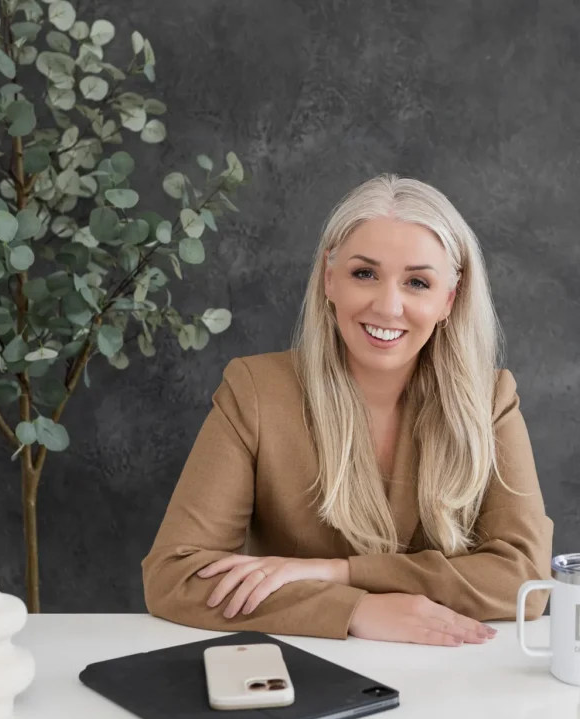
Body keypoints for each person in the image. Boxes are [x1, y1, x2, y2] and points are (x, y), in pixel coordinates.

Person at [141, 173, 553, 647]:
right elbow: (174, 576)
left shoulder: (490, 399)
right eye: (365, 274)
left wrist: (340, 573)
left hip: (451, 679)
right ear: (329, 278)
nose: (388, 305)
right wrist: (356, 610)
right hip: (300, 675)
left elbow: (525, 582)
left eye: (417, 282)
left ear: (449, 300)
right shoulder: (254, 391)